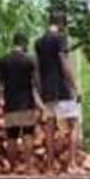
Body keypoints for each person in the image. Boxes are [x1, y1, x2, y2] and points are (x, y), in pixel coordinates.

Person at [35, 17, 78, 168]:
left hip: (47, 91)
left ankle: (49, 166)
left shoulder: (38, 43)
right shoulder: (60, 39)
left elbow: (38, 70)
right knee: (73, 124)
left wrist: (41, 90)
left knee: (50, 128)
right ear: (61, 25)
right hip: (62, 89)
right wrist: (74, 86)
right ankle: (72, 164)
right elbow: (64, 64)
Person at [0, 33, 41, 159]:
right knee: (28, 134)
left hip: (10, 104)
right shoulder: (30, 60)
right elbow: (36, 83)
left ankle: (12, 167)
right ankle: (28, 167)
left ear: (13, 43)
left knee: (11, 136)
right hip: (27, 104)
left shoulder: (2, 61)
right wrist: (41, 103)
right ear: (24, 43)